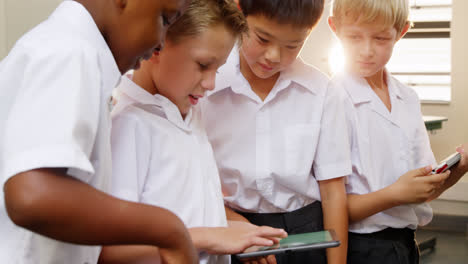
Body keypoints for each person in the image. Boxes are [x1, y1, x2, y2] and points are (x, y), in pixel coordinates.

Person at [0, 0, 200, 263]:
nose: (161, 43)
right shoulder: (69, 51)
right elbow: (31, 196)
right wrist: (168, 230)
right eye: (165, 20)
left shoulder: (69, 50)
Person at [101, 0, 288, 263]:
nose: (211, 83)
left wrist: (237, 235)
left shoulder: (189, 110)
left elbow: (192, 211)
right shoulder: (126, 124)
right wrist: (207, 238)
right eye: (202, 65)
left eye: (218, 69)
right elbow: (110, 250)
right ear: (157, 44)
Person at [200, 0, 352, 263]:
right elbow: (198, 183)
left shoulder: (321, 92)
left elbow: (333, 191)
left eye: (292, 45)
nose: (274, 56)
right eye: (262, 38)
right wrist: (237, 228)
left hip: (305, 232)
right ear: (239, 13)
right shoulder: (206, 87)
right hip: (230, 225)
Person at [327, 0, 468, 263]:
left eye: (380, 38)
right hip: (361, 247)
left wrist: (457, 170)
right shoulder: (333, 99)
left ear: (401, 32)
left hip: (404, 244)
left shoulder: (408, 98)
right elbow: (330, 208)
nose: (366, 51)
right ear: (335, 29)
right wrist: (395, 194)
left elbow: (424, 191)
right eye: (354, 37)